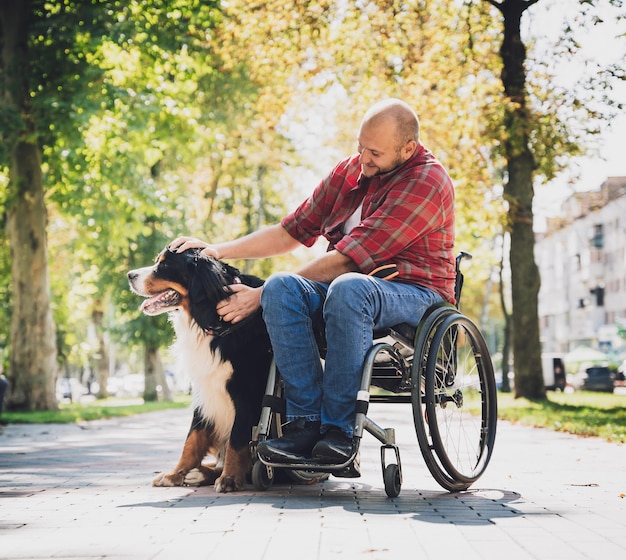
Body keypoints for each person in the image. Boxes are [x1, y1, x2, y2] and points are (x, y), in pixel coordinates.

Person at [171, 98, 455, 475]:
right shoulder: (350, 173)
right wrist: (217, 249)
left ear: (408, 149)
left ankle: (338, 431)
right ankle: (305, 425)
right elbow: (289, 232)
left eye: (374, 152)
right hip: (349, 291)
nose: (364, 159)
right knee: (284, 287)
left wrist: (257, 295)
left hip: (415, 293)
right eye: (360, 147)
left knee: (347, 287)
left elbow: (350, 260)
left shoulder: (426, 181)